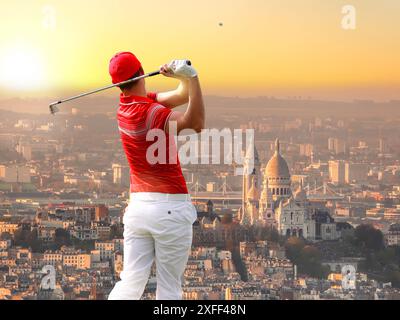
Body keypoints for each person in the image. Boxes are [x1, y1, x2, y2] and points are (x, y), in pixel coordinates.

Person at [107, 52, 205, 300]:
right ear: (141, 73)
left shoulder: (125, 107)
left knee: (130, 282)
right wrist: (192, 77)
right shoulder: (153, 113)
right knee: (169, 288)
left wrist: (180, 78)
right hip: (170, 208)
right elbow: (196, 122)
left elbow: (180, 97)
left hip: (139, 209)